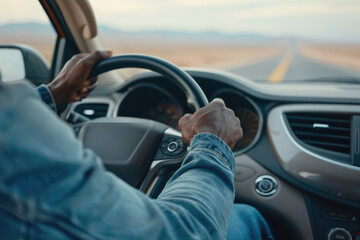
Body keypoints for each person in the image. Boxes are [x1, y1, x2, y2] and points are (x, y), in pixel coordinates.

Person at [0, 50, 274, 239]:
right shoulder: (13, 128)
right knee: (248, 217)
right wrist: (212, 143)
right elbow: (186, 233)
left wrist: (50, 95)